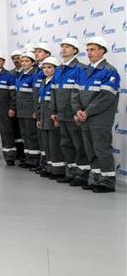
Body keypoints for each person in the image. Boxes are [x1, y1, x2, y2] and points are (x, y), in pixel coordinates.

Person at [72, 37, 120, 193]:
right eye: (87, 50)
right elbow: (75, 93)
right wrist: (77, 110)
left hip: (100, 119)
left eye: (92, 49)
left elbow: (105, 97)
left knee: (101, 149)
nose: (89, 52)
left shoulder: (109, 71)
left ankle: (107, 182)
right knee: (90, 150)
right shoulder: (83, 71)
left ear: (102, 51)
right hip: (84, 118)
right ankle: (96, 179)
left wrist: (86, 112)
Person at [51, 38, 88, 186]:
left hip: (74, 115)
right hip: (61, 114)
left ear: (75, 50)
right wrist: (54, 111)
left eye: (68, 46)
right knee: (66, 144)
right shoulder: (58, 69)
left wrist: (78, 111)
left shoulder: (81, 68)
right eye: (62, 46)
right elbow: (53, 92)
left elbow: (82, 94)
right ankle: (70, 172)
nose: (64, 49)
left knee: (79, 145)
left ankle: (82, 175)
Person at [36, 57, 63, 179]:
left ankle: (58, 170)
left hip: (52, 118)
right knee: (46, 145)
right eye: (44, 67)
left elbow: (57, 101)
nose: (46, 70)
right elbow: (40, 102)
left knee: (54, 145)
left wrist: (56, 116)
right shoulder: (43, 82)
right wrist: (39, 118)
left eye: (49, 67)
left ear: (56, 69)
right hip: (43, 118)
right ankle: (49, 168)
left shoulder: (56, 82)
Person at [14, 52, 40, 168]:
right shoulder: (21, 74)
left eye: (27, 61)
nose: (23, 63)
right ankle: (28, 158)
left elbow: (35, 95)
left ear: (33, 63)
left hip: (30, 111)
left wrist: (36, 110)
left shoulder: (34, 75)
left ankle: (34, 160)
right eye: (22, 61)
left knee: (31, 135)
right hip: (21, 111)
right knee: (25, 135)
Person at [30, 43, 52, 173]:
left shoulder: (51, 68)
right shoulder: (37, 70)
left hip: (47, 110)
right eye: (35, 51)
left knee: (47, 140)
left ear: (47, 54)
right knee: (40, 138)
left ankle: (47, 164)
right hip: (39, 108)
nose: (36, 54)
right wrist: (36, 110)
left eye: (40, 51)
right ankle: (43, 163)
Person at [9, 49, 25, 161]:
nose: (16, 60)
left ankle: (25, 153)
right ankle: (18, 153)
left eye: (18, 58)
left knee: (25, 132)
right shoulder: (10, 74)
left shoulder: (28, 72)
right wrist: (12, 107)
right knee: (15, 131)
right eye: (14, 58)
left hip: (24, 107)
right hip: (13, 107)